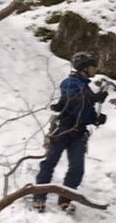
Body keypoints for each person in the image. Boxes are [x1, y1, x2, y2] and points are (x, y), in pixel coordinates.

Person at [33, 51, 107, 213]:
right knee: (50, 162)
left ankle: (65, 199)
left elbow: (84, 109)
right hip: (63, 129)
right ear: (84, 67)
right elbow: (73, 100)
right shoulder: (70, 82)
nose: (95, 68)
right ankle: (39, 197)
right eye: (93, 65)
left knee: (77, 168)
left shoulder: (86, 87)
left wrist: (95, 118)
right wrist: (94, 98)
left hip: (78, 132)